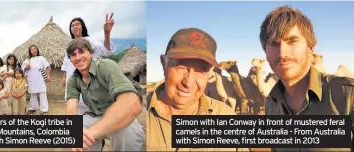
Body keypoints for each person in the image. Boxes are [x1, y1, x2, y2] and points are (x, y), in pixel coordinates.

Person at [260, 5, 354, 151]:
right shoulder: (272, 105)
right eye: (274, 43)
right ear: (265, 52)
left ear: (310, 48)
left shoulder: (348, 97)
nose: (282, 53)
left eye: (292, 41)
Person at [146, 28, 245, 151]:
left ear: (209, 73)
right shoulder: (138, 117)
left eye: (201, 70)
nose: (188, 82)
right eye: (181, 66)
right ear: (164, 64)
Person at [65, 38, 144, 151]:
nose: (78, 57)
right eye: (73, 55)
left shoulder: (106, 66)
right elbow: (71, 109)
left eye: (81, 52)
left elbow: (133, 104)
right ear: (70, 60)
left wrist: (88, 135)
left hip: (118, 115)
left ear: (91, 53)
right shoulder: (73, 80)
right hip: (93, 116)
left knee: (128, 134)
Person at [61, 13, 117, 115]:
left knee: (90, 109)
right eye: (72, 26)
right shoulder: (69, 45)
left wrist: (107, 34)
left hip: (88, 79)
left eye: (77, 24)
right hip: (73, 79)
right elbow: (66, 63)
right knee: (74, 105)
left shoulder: (90, 41)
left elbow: (106, 51)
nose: (75, 27)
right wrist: (64, 77)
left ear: (82, 26)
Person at [21, 45, 51, 115]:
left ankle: (44, 110)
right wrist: (26, 68)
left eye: (35, 49)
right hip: (32, 79)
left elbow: (47, 67)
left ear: (37, 50)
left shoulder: (41, 58)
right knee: (33, 94)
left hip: (40, 78)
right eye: (32, 49)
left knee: (42, 93)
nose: (34, 50)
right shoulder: (27, 60)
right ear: (30, 51)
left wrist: (48, 76)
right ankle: (32, 109)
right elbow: (22, 70)